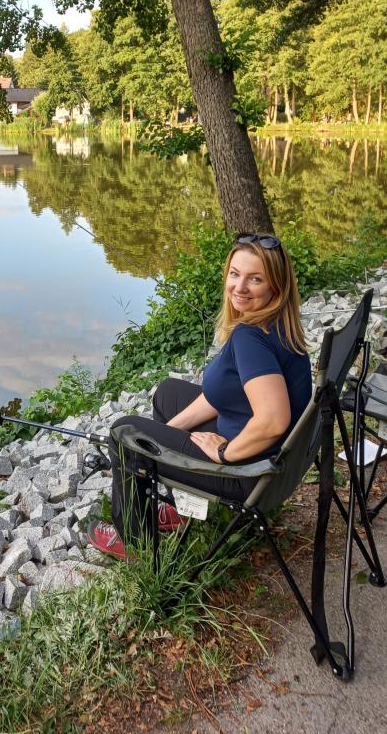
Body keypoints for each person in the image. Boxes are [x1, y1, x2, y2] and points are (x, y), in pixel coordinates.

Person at [88, 233, 312, 560]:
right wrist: (166, 436)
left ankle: (133, 542)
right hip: (273, 464)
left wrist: (224, 453)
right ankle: (184, 507)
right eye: (235, 274)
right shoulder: (278, 323)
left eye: (255, 279)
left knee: (124, 432)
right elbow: (225, 394)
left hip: (246, 474)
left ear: (275, 286)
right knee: (168, 393)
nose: (239, 287)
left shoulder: (250, 337)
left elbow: (273, 421)